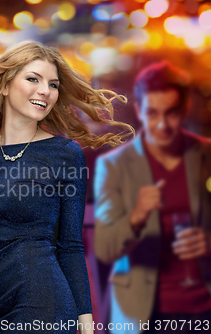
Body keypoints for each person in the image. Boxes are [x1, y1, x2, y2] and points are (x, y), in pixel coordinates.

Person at [0, 40, 135, 334]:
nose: (45, 91)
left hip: (45, 303)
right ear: (4, 85)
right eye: (33, 79)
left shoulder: (65, 153)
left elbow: (70, 246)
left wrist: (87, 325)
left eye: (53, 84)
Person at [94, 61, 211, 334]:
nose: (161, 124)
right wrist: (136, 216)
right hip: (143, 314)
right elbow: (105, 248)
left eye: (171, 113)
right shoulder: (115, 166)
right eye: (152, 113)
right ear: (139, 111)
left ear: (185, 109)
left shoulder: (206, 156)